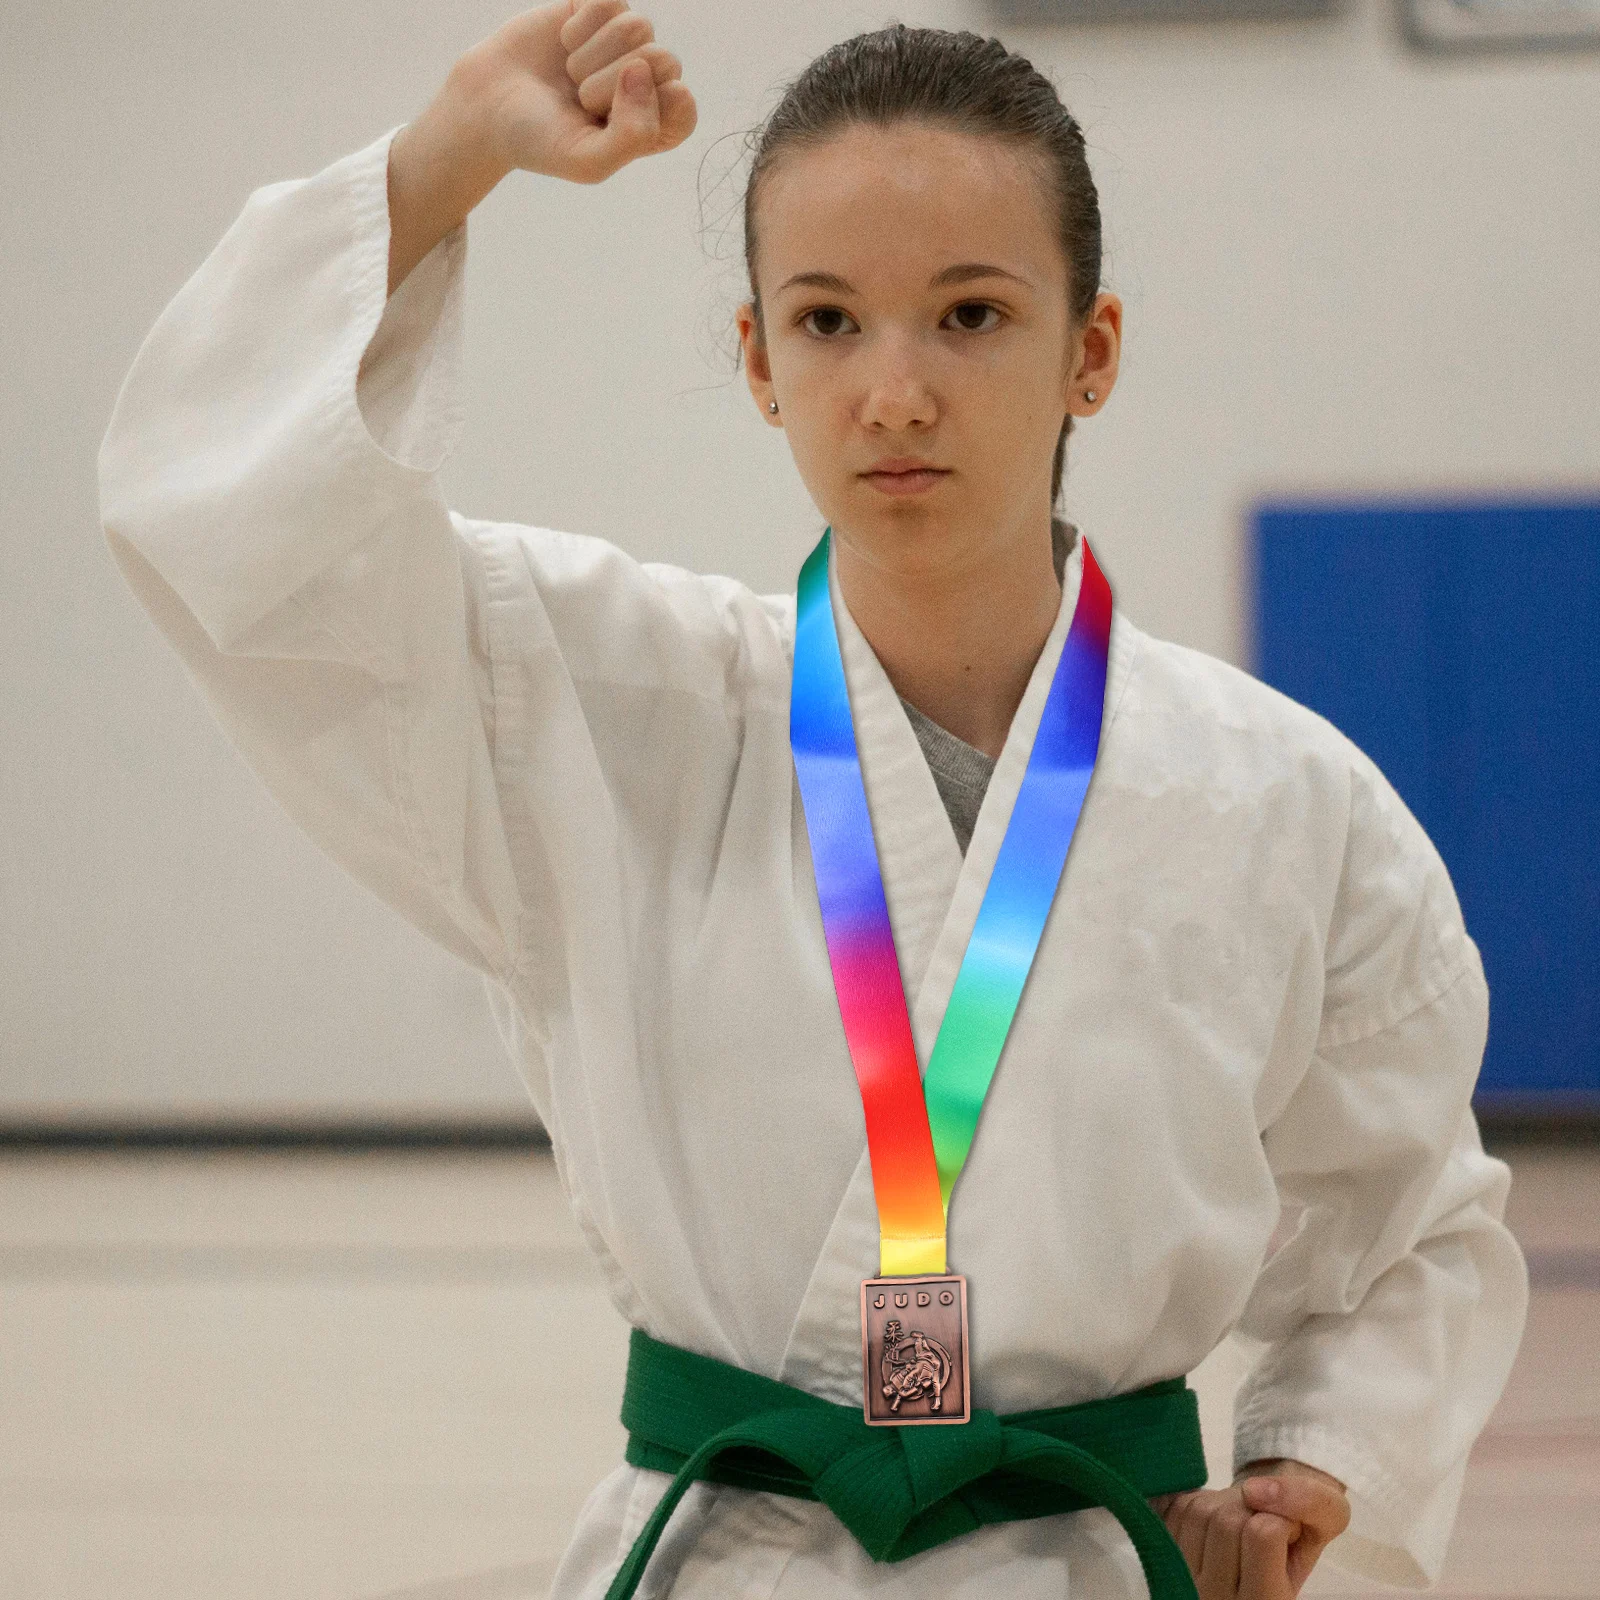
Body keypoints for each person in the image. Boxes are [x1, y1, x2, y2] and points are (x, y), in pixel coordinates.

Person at [96, 4, 1528, 1597]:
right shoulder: (602, 698)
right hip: (728, 1559)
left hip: (1088, 1563)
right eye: (830, 321)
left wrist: (1306, 1465)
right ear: (760, 364)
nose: (895, 393)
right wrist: (446, 155)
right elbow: (239, 532)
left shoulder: (1285, 803)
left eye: (971, 315)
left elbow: (1403, 1224)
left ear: (1091, 351)